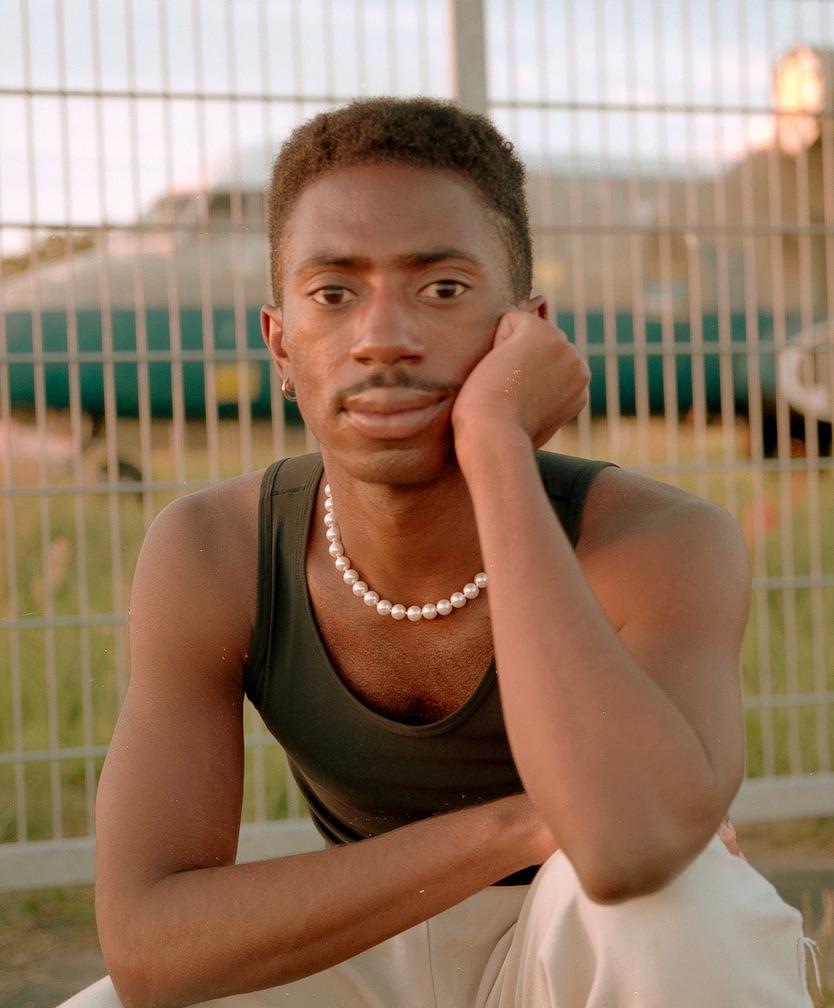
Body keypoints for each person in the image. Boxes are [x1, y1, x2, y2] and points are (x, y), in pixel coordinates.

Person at [66, 98, 813, 1008]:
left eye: (443, 289)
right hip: (362, 947)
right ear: (281, 343)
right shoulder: (211, 548)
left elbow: (622, 851)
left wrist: (497, 442)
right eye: (334, 293)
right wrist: (522, 825)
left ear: (525, 330)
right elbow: (148, 944)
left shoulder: (661, 539)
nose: (382, 337)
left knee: (679, 897)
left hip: (578, 944)